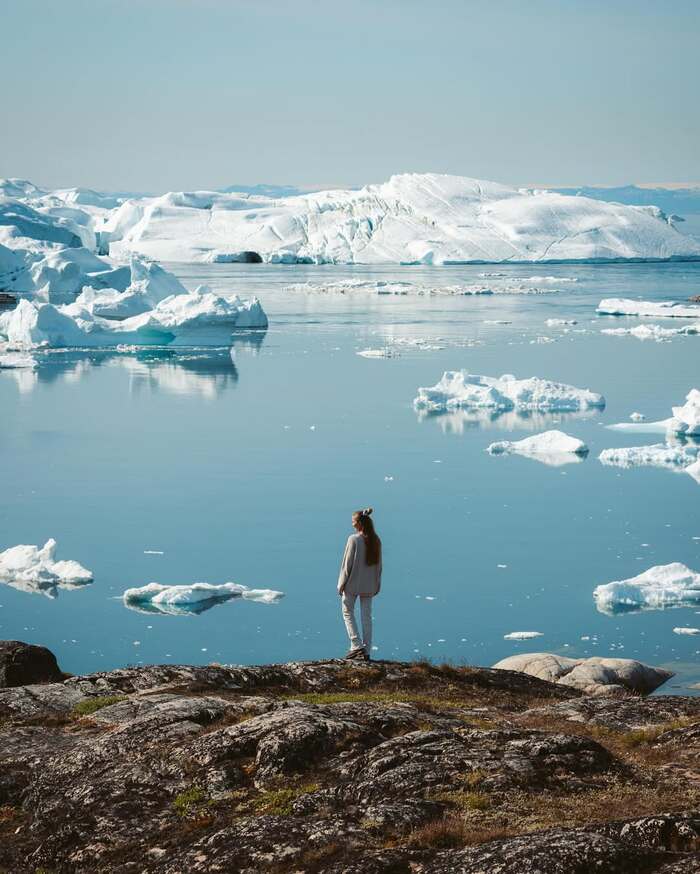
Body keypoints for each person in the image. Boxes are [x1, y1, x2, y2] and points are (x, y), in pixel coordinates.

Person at [337, 507, 382, 660]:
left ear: (360, 523)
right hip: (369, 585)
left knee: (347, 611)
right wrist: (377, 584)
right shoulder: (376, 540)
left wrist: (341, 583)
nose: (352, 524)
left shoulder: (353, 539)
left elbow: (347, 564)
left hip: (352, 584)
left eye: (353, 521)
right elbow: (379, 566)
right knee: (366, 617)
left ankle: (356, 645)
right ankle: (367, 651)